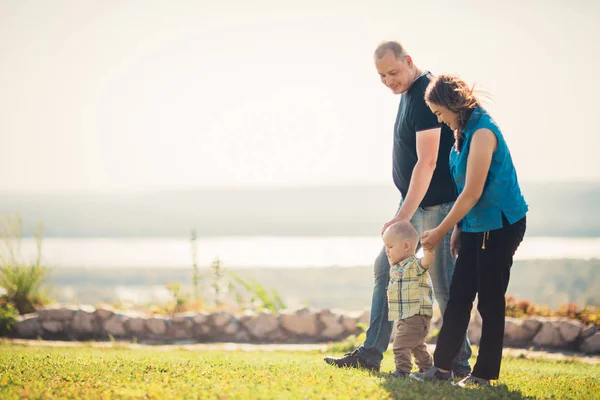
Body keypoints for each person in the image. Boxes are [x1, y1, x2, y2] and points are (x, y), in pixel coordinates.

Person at [324, 41, 472, 376]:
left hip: (435, 207)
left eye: (393, 72)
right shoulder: (407, 92)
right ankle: (370, 354)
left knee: (444, 286)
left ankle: (460, 365)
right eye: (382, 76)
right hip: (415, 204)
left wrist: (402, 217)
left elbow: (428, 161)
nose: (389, 80)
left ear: (409, 61)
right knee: (385, 269)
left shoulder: (425, 94)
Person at [409, 74, 528, 387]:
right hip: (476, 224)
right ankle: (441, 369)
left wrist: (441, 232)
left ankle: (484, 375)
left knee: (489, 300)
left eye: (439, 113)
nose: (439, 120)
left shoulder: (483, 133)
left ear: (451, 105)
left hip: (499, 225)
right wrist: (461, 228)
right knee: (460, 295)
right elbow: (465, 187)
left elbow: (473, 192)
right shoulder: (462, 130)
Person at [383, 221, 434, 378]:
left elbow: (426, 262)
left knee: (400, 346)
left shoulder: (414, 265)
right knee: (417, 346)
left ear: (406, 246)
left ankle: (402, 371)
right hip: (405, 317)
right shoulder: (397, 267)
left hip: (416, 316)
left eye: (390, 247)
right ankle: (428, 369)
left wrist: (429, 250)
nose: (387, 251)